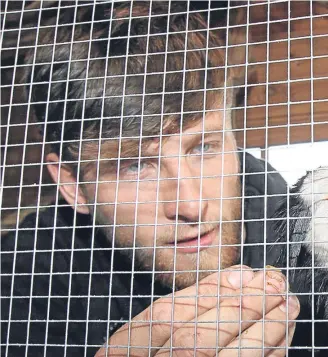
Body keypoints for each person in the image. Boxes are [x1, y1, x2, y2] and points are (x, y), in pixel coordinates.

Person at [0, 2, 298, 356]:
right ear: (73, 186)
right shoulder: (22, 278)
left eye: (204, 146)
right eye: (135, 166)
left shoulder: (294, 221)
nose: (190, 205)